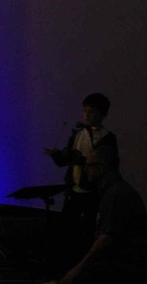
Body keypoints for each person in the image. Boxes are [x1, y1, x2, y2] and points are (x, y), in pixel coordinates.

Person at [60, 146, 147, 284]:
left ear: (102, 167)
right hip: (127, 263)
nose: (85, 169)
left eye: (89, 165)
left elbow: (106, 239)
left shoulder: (115, 194)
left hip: (125, 267)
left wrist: (78, 269)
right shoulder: (117, 191)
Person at [43, 93, 116, 274]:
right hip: (73, 191)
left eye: (90, 112)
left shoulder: (107, 138)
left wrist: (81, 159)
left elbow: (106, 164)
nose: (86, 115)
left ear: (102, 114)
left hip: (92, 194)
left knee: (86, 232)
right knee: (66, 232)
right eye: (84, 111)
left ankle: (83, 268)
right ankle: (63, 268)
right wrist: (57, 155)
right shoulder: (78, 134)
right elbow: (66, 160)